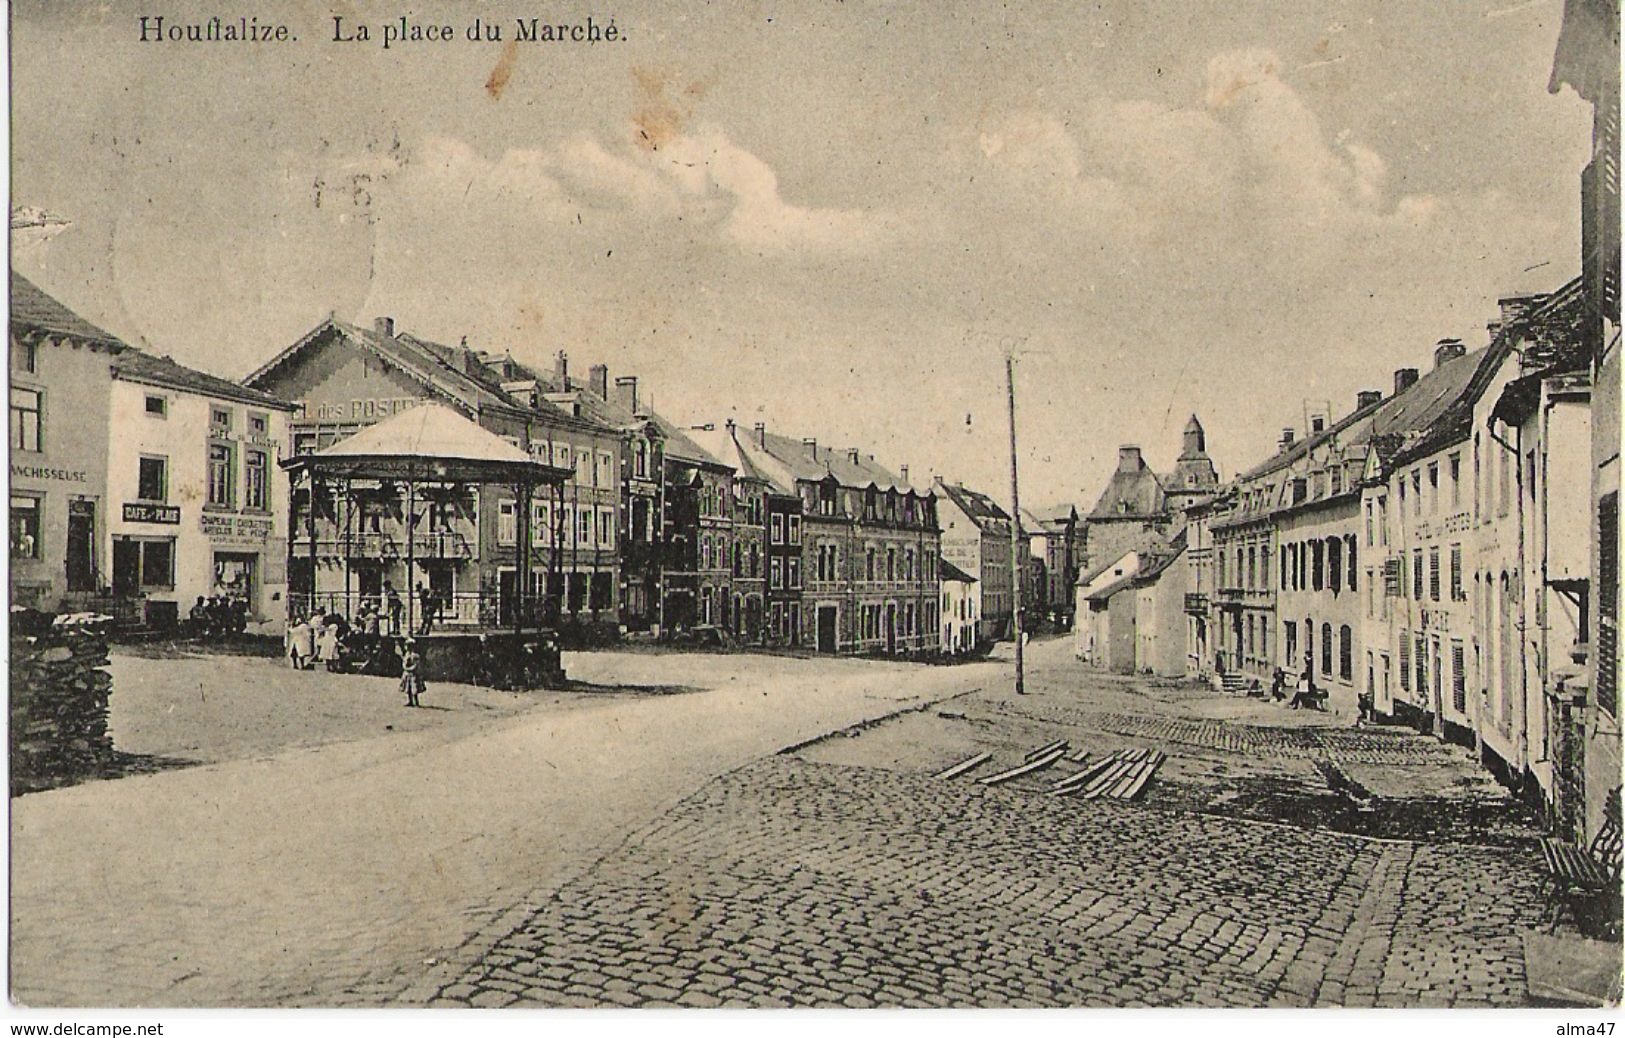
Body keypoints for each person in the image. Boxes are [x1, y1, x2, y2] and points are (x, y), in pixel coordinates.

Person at [400, 638, 424, 707]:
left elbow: (416, 665)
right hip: (407, 674)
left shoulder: (415, 656)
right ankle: (410, 701)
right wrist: (405, 667)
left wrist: (410, 669)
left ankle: (416, 702)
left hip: (413, 674)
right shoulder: (406, 655)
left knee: (414, 689)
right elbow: (404, 663)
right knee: (408, 688)